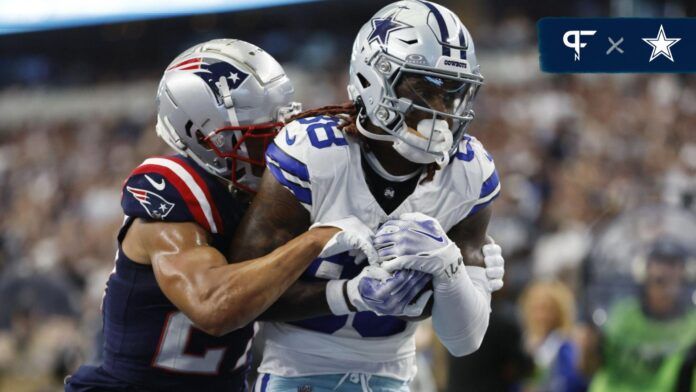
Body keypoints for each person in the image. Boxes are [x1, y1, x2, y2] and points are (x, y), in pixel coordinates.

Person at [65, 39, 376, 392]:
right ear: (202, 136)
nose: (278, 148)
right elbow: (213, 307)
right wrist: (316, 238)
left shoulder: (261, 193)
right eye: (261, 137)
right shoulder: (172, 190)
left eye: (282, 132)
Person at [228, 2, 506, 391]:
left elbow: (465, 339)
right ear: (372, 78)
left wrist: (448, 268)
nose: (440, 111)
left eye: (451, 93)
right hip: (297, 374)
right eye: (424, 89)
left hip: (394, 377)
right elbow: (243, 297)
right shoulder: (315, 153)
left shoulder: (468, 169)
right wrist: (349, 294)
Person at [578, 239, 696, 392]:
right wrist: (589, 343)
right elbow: (587, 368)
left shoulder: (691, 324)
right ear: (644, 270)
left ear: (683, 273)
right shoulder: (623, 314)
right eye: (659, 262)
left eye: (672, 264)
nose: (664, 270)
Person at [519, 281, 587, 392]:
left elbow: (570, 383)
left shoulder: (563, 344)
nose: (541, 316)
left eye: (547, 309)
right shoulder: (525, 341)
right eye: (536, 309)